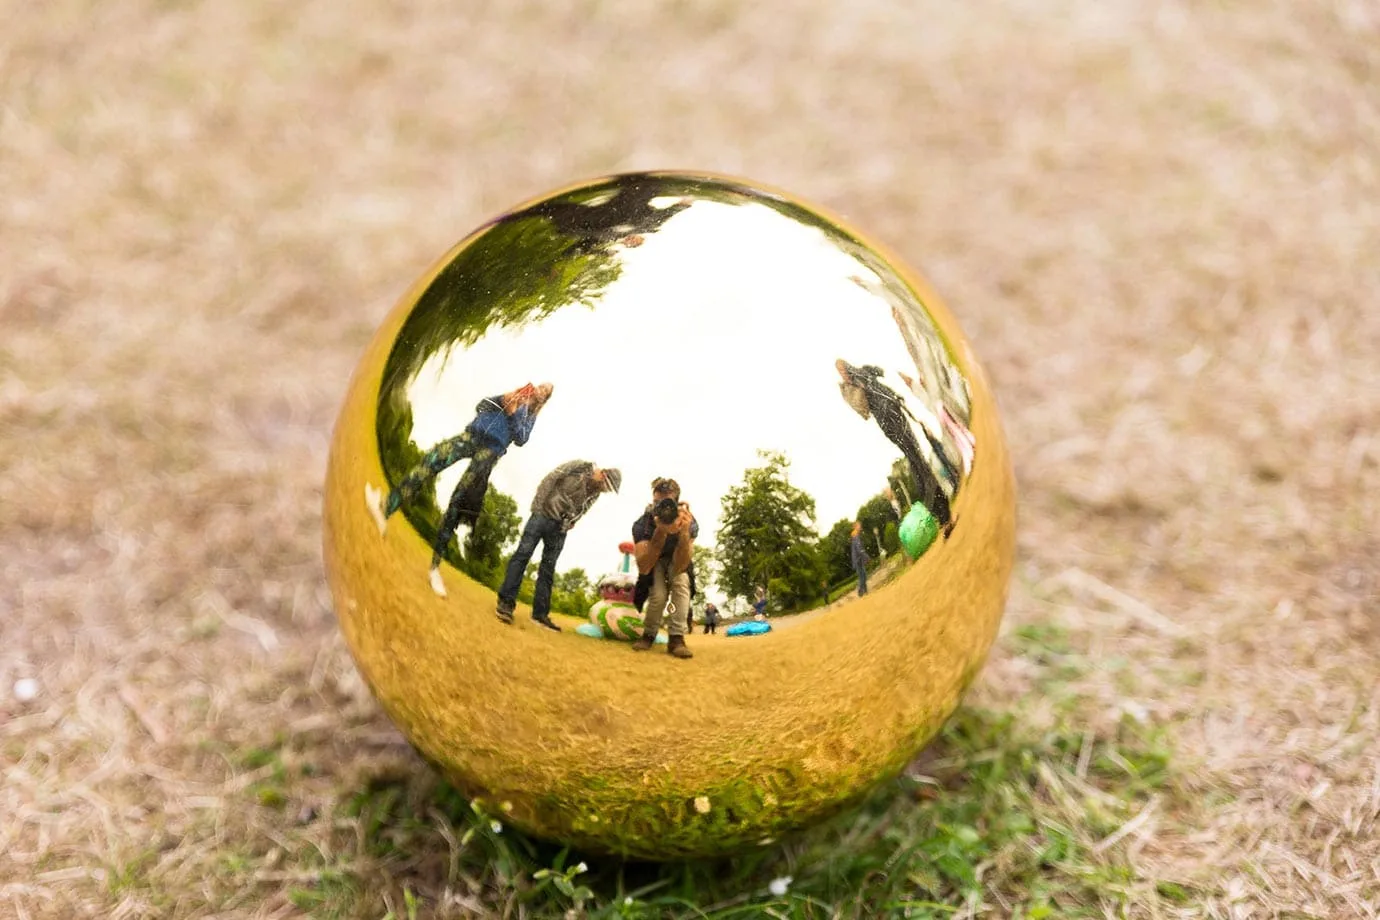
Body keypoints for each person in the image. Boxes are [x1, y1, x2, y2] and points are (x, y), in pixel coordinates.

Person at [366, 382, 553, 597]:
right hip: (471, 436)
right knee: (429, 463)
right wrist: (504, 399)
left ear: (544, 399)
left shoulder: (529, 417)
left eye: (545, 391)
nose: (540, 390)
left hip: (489, 453)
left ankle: (435, 568)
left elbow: (521, 439)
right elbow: (481, 405)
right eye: (540, 387)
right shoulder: (513, 395)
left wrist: (515, 412)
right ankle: (385, 509)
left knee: (458, 501)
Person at [836, 359, 956, 539]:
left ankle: (939, 513)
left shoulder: (857, 381)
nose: (843, 374)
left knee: (917, 463)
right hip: (893, 416)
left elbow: (870, 398)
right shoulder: (862, 374)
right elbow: (881, 373)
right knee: (919, 463)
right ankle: (942, 514)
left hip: (890, 421)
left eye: (842, 370)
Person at [496, 461, 621, 631]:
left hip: (559, 529)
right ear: (603, 474)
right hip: (542, 515)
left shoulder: (595, 493)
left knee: (548, 569)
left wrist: (572, 522)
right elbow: (551, 478)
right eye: (606, 485)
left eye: (608, 489)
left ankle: (540, 614)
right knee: (523, 555)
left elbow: (584, 510)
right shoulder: (580, 466)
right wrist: (538, 507)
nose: (604, 490)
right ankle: (506, 603)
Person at [629, 477, 697, 659]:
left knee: (681, 585)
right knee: (658, 595)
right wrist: (660, 531)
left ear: (677, 503)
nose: (662, 508)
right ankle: (649, 634)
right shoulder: (643, 524)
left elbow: (682, 564)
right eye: (657, 503)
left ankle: (676, 638)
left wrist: (683, 533)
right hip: (655, 560)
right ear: (652, 501)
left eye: (668, 503)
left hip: (677, 557)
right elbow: (644, 566)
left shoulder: (689, 521)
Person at [850, 521, 871, 596]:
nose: (860, 526)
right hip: (858, 559)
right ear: (855, 527)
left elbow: (859, 549)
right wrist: (866, 557)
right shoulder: (855, 535)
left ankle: (865, 592)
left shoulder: (855, 535)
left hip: (858, 559)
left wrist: (864, 556)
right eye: (859, 525)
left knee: (863, 575)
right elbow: (859, 549)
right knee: (862, 576)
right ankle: (861, 592)